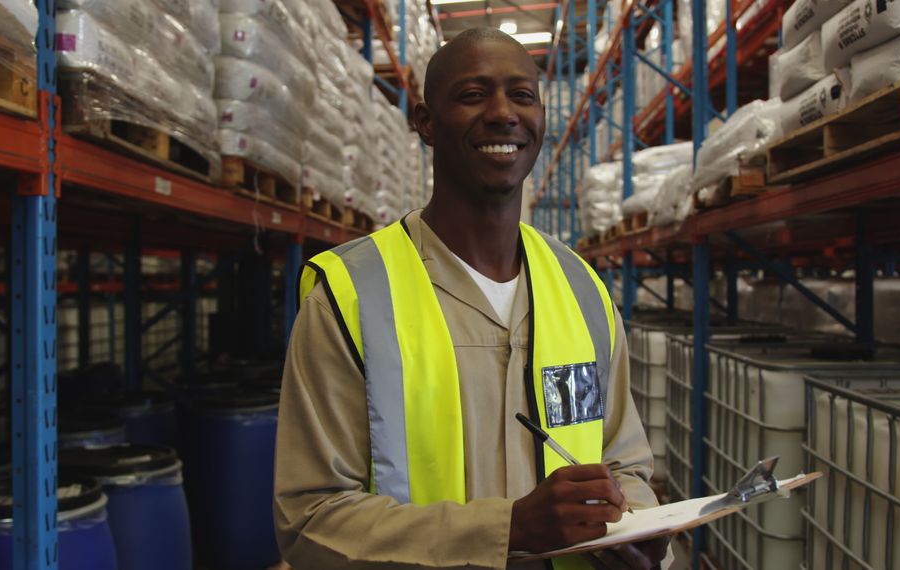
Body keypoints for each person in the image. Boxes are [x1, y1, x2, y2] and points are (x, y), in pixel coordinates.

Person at [274, 27, 670, 569]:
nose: (503, 112)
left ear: (541, 119)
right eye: (473, 94)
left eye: (522, 95)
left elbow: (625, 465)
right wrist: (506, 529)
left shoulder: (582, 291)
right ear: (426, 123)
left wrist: (638, 526)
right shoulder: (349, 296)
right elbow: (311, 522)